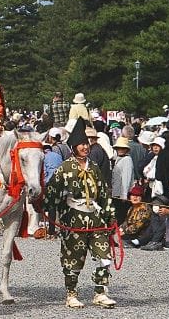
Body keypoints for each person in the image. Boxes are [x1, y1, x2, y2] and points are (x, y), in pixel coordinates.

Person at [43, 117, 117, 309]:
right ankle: (71, 293)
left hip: (95, 216)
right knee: (73, 258)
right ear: (74, 146)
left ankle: (100, 292)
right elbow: (52, 191)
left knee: (104, 255)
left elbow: (102, 191)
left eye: (86, 144)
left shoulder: (93, 167)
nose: (85, 147)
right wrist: (46, 207)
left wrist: (110, 215)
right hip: (73, 217)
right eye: (81, 144)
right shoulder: (65, 168)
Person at [111, 137, 135, 225]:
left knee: (121, 215)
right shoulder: (118, 158)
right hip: (117, 192)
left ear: (126, 149)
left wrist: (124, 195)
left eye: (123, 148)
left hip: (122, 194)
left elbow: (126, 178)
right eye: (119, 148)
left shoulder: (127, 160)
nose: (120, 150)